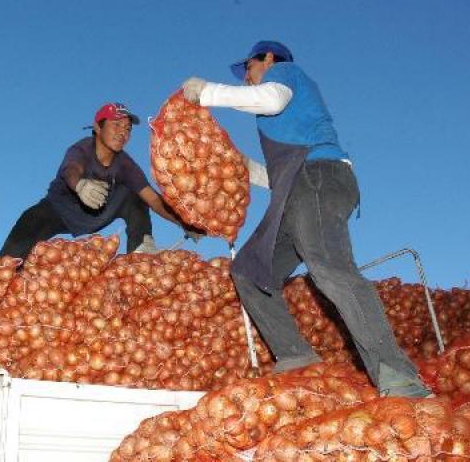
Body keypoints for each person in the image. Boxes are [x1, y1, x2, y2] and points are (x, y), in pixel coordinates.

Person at [182, 41, 431, 397]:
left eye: (249, 67)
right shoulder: (285, 120)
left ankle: (398, 375)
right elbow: (277, 176)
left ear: (267, 59)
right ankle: (298, 358)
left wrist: (208, 92)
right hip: (297, 190)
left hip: (318, 178)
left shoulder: (286, 73)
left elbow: (271, 100)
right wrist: (242, 168)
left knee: (329, 266)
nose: (247, 77)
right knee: (250, 272)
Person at [0, 102, 201, 260]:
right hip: (59, 212)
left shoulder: (125, 164)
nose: (123, 132)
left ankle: (141, 249)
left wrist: (184, 222)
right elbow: (72, 169)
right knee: (29, 220)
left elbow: (154, 200)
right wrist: (80, 185)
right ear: (97, 127)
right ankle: (1, 274)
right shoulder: (81, 149)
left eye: (128, 128)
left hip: (99, 213)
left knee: (135, 194)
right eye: (116, 125)